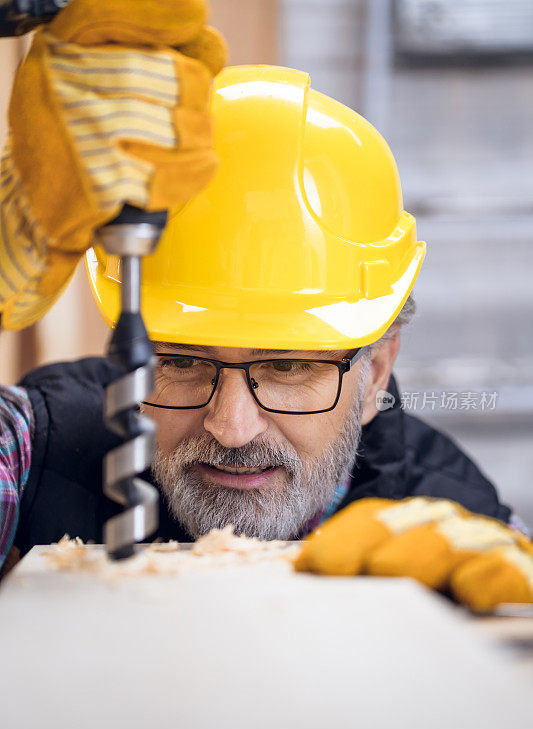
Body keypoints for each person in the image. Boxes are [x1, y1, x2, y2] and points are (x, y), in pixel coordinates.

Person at [0, 1, 522, 576]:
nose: (231, 426)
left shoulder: (461, 529)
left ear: (374, 374)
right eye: (180, 361)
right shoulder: (35, 446)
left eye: (287, 367)